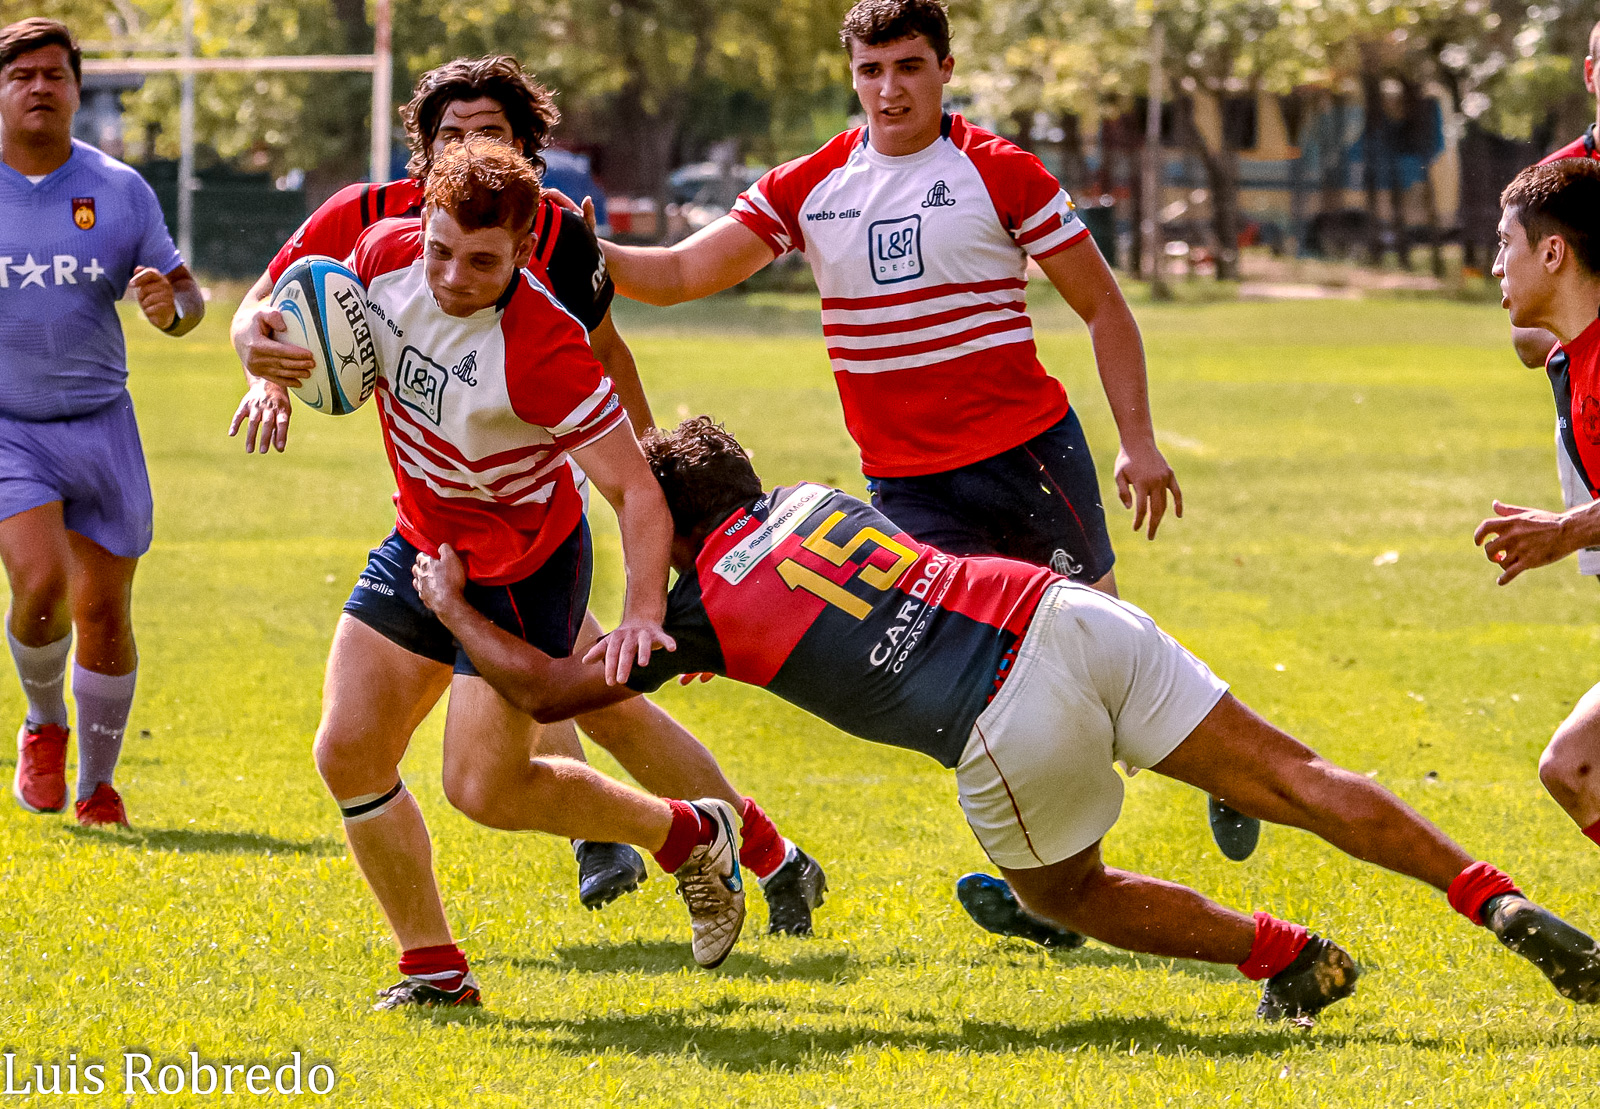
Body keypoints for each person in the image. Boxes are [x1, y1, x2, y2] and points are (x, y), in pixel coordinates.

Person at [416, 416, 1600, 1019]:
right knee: (1293, 772)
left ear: (662, 525)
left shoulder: (695, 613)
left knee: (1063, 893)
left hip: (996, 717)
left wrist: (456, 610)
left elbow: (548, 693)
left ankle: (1287, 953)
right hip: (1064, 611)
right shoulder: (815, 496)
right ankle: (1491, 895)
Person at [577, 0, 1251, 944]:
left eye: (908, 67)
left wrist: (1138, 441)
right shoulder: (812, 185)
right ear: (851, 73)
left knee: (1106, 650)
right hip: (906, 483)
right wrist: (590, 256)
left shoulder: (998, 171)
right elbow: (685, 273)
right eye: (871, 69)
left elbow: (1103, 307)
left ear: (943, 68)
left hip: (1027, 455)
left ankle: (1221, 769)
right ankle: (1053, 896)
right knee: (990, 685)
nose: (889, 88)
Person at [229, 55, 825, 929]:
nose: (469, 150)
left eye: (491, 136)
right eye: (451, 137)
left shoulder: (554, 256)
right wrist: (265, 368)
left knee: (550, 728)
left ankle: (699, 842)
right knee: (557, 715)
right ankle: (733, 851)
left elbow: (604, 372)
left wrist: (655, 538)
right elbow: (274, 310)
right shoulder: (373, 228)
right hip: (436, 514)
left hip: (535, 513)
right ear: (423, 158)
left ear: (525, 157)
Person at [286, 137, 749, 1007]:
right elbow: (292, 313)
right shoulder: (383, 258)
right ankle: (434, 970)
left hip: (522, 569)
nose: (453, 275)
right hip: (423, 540)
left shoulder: (541, 348)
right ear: (421, 221)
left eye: (482, 261)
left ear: (526, 242)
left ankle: (687, 831)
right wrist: (275, 373)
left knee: (483, 788)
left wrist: (645, 609)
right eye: (441, 249)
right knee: (348, 749)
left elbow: (636, 493)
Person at [0, 18, 205, 828]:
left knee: (104, 611)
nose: (40, 87)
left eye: (55, 74)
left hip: (102, 425)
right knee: (42, 582)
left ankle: (97, 783)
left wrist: (174, 310)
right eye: (22, 75)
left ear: (78, 91)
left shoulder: (119, 189)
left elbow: (187, 295)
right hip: (9, 427)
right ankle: (44, 722)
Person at [1476, 158, 1600, 855]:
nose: (1497, 264)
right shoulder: (1570, 362)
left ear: (1553, 252)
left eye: (1505, 243)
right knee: (1575, 767)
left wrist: (1565, 528)